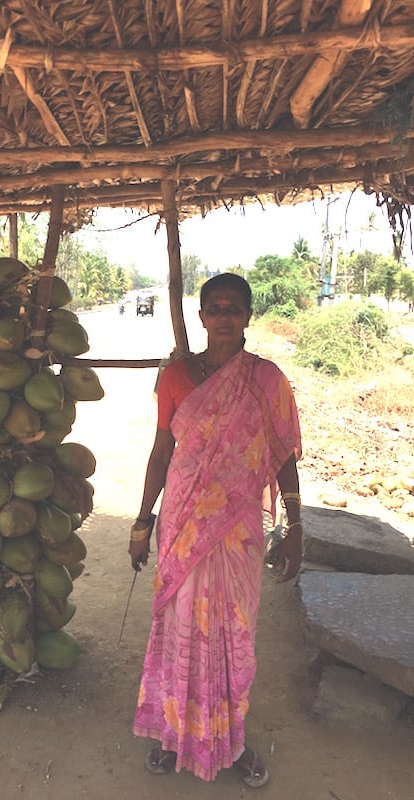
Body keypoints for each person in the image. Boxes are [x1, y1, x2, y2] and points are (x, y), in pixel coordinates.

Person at [128, 273, 302, 787]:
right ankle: (172, 732)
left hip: (237, 527)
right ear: (201, 316)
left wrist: (295, 523)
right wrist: (142, 520)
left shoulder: (267, 380)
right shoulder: (176, 377)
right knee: (180, 628)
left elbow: (283, 453)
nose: (224, 316)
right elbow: (162, 453)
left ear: (248, 315)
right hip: (183, 521)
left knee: (233, 633)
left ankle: (234, 740)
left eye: (235, 307)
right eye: (215, 307)